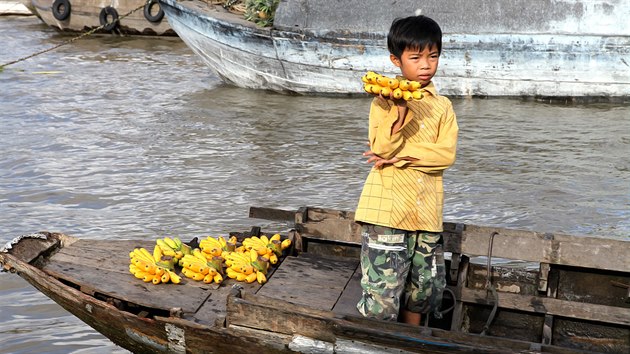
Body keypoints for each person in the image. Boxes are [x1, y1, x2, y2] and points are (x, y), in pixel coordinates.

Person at [354, 14, 458, 325]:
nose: (426, 65)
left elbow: (446, 155)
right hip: (387, 212)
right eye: (415, 58)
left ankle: (411, 341)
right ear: (396, 61)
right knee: (382, 290)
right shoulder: (382, 102)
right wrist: (399, 113)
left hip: (426, 213)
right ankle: (377, 340)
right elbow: (382, 148)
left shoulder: (443, 106)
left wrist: (400, 157)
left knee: (422, 288)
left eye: (433, 56)